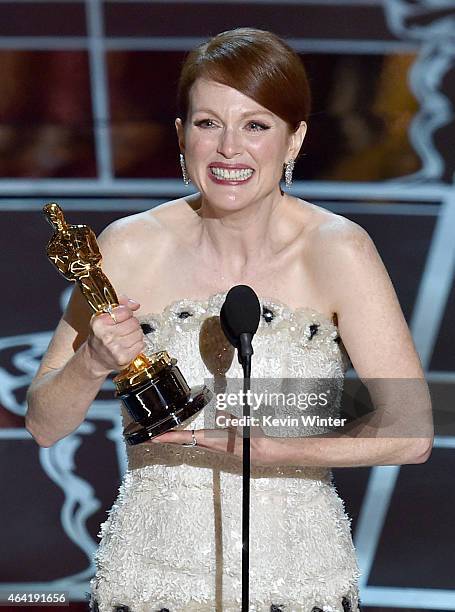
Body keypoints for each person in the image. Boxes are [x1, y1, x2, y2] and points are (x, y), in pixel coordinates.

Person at [26, 28, 433, 612]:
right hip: (151, 579)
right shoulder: (129, 248)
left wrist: (274, 450)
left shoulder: (339, 250)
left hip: (295, 584)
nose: (228, 149)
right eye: (207, 123)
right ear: (180, 135)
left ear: (295, 140)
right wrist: (91, 362)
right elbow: (43, 424)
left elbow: (412, 431)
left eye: (256, 125)